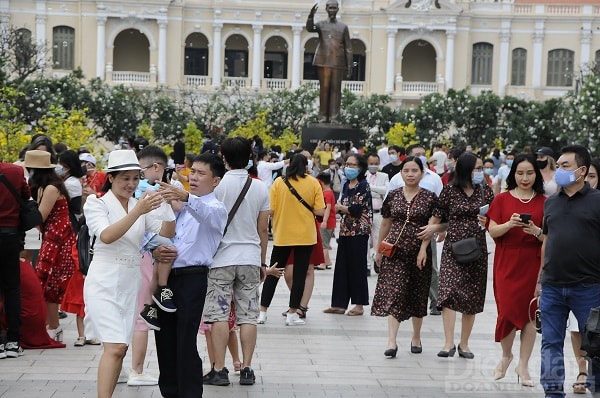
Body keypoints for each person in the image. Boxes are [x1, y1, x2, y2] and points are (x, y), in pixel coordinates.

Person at [83, 149, 175, 398]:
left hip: (129, 281)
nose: (131, 184)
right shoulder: (97, 203)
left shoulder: (139, 205)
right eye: (125, 178)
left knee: (121, 348)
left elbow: (166, 232)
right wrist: (139, 210)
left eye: (135, 178)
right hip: (103, 280)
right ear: (111, 177)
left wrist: (166, 203)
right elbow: (107, 235)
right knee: (114, 348)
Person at [150, 153, 228, 398]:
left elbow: (205, 212)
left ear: (215, 181)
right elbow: (159, 229)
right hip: (167, 275)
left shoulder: (215, 208)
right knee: (164, 339)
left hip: (193, 278)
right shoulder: (181, 207)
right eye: (192, 171)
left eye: (201, 173)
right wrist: (156, 247)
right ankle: (170, 392)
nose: (193, 177)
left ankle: (190, 393)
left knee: (185, 339)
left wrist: (185, 196)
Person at [203, 137, 270, 387]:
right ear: (250, 157)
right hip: (250, 258)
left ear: (224, 158)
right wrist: (263, 262)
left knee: (219, 315)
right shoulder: (261, 187)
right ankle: (247, 368)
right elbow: (263, 229)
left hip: (221, 259)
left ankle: (219, 369)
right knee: (248, 316)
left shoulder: (217, 186)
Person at [536, 144, 600, 398]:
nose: (559, 171)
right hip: (552, 286)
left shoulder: (597, 201)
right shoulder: (551, 203)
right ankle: (553, 393)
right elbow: (547, 241)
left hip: (589, 287)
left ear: (582, 171)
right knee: (550, 343)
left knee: (595, 346)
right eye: (558, 166)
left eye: (565, 166)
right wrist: (541, 280)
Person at [485, 153, 545, 387]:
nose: (525, 177)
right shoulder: (501, 199)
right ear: (513, 174)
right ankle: (506, 355)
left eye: (530, 173)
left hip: (532, 260)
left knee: (531, 312)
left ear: (536, 174)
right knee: (507, 311)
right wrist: (510, 224)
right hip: (507, 261)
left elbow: (550, 236)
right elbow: (493, 230)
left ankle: (524, 364)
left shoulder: (544, 201)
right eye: (520, 173)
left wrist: (536, 232)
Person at [372, 156, 438, 358]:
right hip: (395, 250)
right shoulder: (393, 195)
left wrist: (423, 249)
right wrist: (378, 250)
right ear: (401, 173)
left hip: (418, 250)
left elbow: (430, 227)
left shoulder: (429, 197)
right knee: (394, 292)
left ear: (421, 173)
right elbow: (385, 223)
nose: (410, 174)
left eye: (414, 170)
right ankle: (391, 340)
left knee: (417, 293)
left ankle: (416, 336)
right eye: (406, 170)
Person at [431, 152, 494, 359]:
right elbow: (438, 217)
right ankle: (448, 342)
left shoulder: (486, 192)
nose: (480, 172)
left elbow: (494, 219)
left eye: (481, 168)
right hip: (453, 247)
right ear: (466, 169)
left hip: (477, 248)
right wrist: (429, 237)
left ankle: (464, 344)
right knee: (448, 292)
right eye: (476, 168)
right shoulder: (449, 191)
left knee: (472, 296)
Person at [258, 153, 325, 326]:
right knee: (300, 275)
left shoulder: (279, 182)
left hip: (282, 235)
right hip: (305, 236)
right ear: (306, 166)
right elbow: (320, 211)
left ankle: (262, 312)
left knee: (273, 274)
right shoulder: (313, 182)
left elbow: (270, 210)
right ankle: (292, 314)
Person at [25, 150, 76, 343]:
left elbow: (41, 216)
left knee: (51, 285)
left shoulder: (51, 188)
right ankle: (50, 326)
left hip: (58, 241)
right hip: (52, 238)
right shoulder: (45, 187)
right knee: (45, 283)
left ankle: (54, 328)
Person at [323, 154, 372, 316]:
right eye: (347, 164)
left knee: (357, 268)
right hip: (345, 230)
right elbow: (345, 206)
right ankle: (339, 304)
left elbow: (356, 210)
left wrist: (342, 208)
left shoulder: (363, 185)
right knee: (342, 268)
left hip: (359, 231)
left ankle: (359, 305)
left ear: (360, 167)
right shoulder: (346, 185)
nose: (349, 167)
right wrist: (343, 208)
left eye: (353, 165)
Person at [567, 156, 600, 394]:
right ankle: (582, 369)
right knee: (578, 326)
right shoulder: (568, 200)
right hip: (577, 276)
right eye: (585, 175)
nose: (588, 181)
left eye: (593, 177)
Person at [0, 158, 31, 358]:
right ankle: (13, 341)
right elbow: (26, 196)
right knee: (12, 289)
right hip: (10, 235)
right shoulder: (15, 171)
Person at [305, 0, 352, 124]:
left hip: (338, 63)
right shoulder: (321, 25)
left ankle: (334, 118)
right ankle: (323, 117)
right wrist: (311, 16)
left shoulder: (343, 27)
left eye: (334, 8)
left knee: (336, 90)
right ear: (326, 9)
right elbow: (310, 28)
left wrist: (350, 66)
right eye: (330, 8)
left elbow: (348, 48)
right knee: (324, 89)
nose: (332, 10)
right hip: (324, 61)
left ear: (337, 9)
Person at [365, 153, 389, 274]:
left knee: (379, 238)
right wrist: (377, 190)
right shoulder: (363, 176)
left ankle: (378, 261)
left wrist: (371, 188)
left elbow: (386, 190)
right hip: (366, 213)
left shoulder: (384, 176)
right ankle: (367, 265)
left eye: (376, 163)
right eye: (371, 163)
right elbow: (364, 191)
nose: (373, 166)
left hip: (379, 213)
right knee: (365, 240)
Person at [316, 172, 336, 269]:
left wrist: (324, 221)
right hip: (330, 221)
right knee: (325, 243)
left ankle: (322, 263)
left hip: (327, 222)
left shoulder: (327, 194)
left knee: (323, 244)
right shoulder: (329, 192)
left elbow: (327, 208)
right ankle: (327, 262)